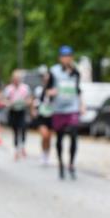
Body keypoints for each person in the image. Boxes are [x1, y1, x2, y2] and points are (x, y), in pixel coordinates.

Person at [45, 46, 85, 179]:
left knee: (74, 134)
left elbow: (78, 89)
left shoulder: (76, 72)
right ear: (60, 58)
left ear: (71, 57)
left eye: (69, 56)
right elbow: (48, 90)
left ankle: (71, 164)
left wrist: (82, 105)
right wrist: (52, 92)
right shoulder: (54, 71)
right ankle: (61, 163)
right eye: (64, 56)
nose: (66, 59)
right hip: (58, 109)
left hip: (72, 108)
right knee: (60, 138)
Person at [3, 70, 32, 160]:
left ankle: (22, 146)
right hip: (13, 111)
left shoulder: (25, 88)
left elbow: (29, 99)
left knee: (23, 128)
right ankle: (16, 149)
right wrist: (9, 103)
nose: (16, 80)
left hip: (22, 110)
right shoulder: (8, 89)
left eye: (18, 79)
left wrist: (27, 103)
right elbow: (5, 100)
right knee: (15, 130)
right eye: (15, 79)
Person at [32, 66, 54, 166]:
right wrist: (33, 110)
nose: (46, 80)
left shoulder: (54, 90)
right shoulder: (38, 90)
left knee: (49, 137)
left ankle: (47, 154)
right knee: (44, 135)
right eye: (44, 78)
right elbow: (34, 101)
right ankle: (43, 152)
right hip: (42, 115)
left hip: (51, 115)